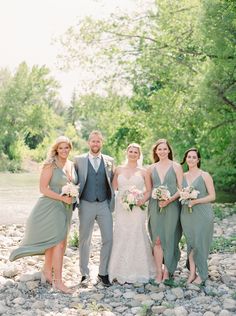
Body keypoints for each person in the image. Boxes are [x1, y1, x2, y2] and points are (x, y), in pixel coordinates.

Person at [9, 136, 77, 294]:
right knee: (58, 243)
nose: (64, 151)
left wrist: (73, 195)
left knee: (60, 242)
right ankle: (58, 282)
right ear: (56, 149)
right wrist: (62, 198)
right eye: (61, 148)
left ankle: (47, 273)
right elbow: (43, 188)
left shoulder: (71, 165)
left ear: (70, 149)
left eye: (66, 148)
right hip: (51, 206)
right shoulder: (50, 165)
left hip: (66, 208)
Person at [108, 143, 156, 284]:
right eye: (131, 151)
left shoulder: (144, 171)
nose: (133, 154)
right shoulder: (118, 169)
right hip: (122, 207)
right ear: (127, 152)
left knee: (137, 232)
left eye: (136, 152)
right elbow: (113, 188)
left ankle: (139, 270)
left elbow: (149, 190)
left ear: (139, 155)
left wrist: (142, 200)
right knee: (121, 232)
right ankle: (118, 270)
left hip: (138, 207)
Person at [74, 130, 115, 287]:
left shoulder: (109, 160)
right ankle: (84, 274)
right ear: (88, 142)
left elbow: (112, 182)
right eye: (93, 141)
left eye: (98, 141)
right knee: (84, 240)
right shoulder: (79, 160)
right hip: (86, 204)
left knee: (108, 239)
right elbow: (73, 180)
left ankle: (103, 273)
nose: (95, 144)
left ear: (102, 143)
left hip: (104, 204)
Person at [148, 139, 183, 283]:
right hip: (155, 206)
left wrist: (169, 200)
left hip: (172, 205)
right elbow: (149, 190)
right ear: (156, 152)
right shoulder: (150, 168)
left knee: (170, 238)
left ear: (169, 150)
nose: (162, 151)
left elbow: (181, 189)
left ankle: (167, 272)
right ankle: (158, 272)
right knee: (157, 240)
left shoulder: (176, 167)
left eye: (164, 149)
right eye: (159, 149)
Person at [180, 148, 215, 285]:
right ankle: (192, 273)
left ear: (198, 160)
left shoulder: (204, 175)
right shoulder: (182, 176)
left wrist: (195, 201)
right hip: (187, 215)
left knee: (200, 244)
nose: (191, 159)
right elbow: (179, 193)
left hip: (203, 214)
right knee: (191, 244)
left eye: (194, 157)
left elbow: (212, 196)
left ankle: (203, 274)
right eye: (189, 157)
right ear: (186, 158)